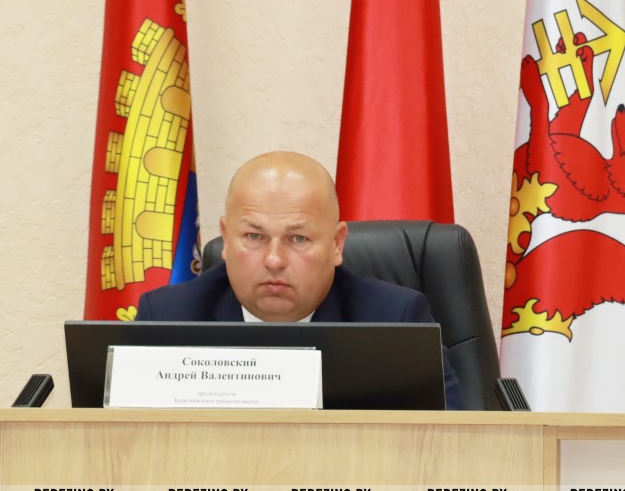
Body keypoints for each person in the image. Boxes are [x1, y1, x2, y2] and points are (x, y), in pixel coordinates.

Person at [136, 151, 465, 410]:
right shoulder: (167, 319)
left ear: (336, 244)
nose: (274, 260)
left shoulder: (395, 322)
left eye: (298, 239)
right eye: (254, 236)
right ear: (225, 238)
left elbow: (454, 448)